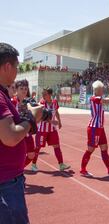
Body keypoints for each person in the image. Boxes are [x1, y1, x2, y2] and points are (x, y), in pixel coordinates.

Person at [0, 42, 43, 224]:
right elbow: (10, 137)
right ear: (7, 67)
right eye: (16, 67)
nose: (17, 72)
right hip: (6, 183)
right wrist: (31, 118)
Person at [80, 80, 109, 177]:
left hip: (100, 128)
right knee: (90, 149)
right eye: (101, 89)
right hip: (94, 128)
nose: (103, 91)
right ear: (97, 90)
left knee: (104, 148)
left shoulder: (98, 98)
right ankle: (83, 169)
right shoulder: (95, 99)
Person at [32, 87, 70, 172]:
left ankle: (61, 164)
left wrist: (59, 122)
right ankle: (33, 164)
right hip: (42, 130)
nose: (43, 96)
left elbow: (56, 112)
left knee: (56, 145)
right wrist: (53, 122)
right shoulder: (41, 103)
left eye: (45, 94)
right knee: (38, 147)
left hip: (52, 130)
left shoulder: (54, 102)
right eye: (42, 94)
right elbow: (41, 117)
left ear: (49, 95)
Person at [12, 80, 37, 168]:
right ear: (16, 90)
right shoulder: (12, 101)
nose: (24, 90)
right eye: (21, 88)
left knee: (31, 155)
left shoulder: (29, 102)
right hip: (16, 132)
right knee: (15, 156)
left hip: (26, 133)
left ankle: (19, 169)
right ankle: (15, 172)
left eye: (26, 89)